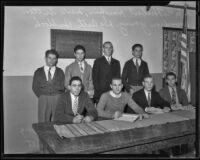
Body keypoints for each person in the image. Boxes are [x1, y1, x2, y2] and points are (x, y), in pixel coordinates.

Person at [32, 49, 65, 153]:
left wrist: (58, 96)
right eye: (49, 58)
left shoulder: (60, 71)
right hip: (43, 98)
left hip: (57, 97)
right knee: (42, 124)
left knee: (58, 123)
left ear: (56, 60)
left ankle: (58, 148)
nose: (51, 60)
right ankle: (43, 150)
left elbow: (63, 87)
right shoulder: (38, 71)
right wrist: (42, 97)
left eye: (54, 58)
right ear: (45, 58)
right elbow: (34, 87)